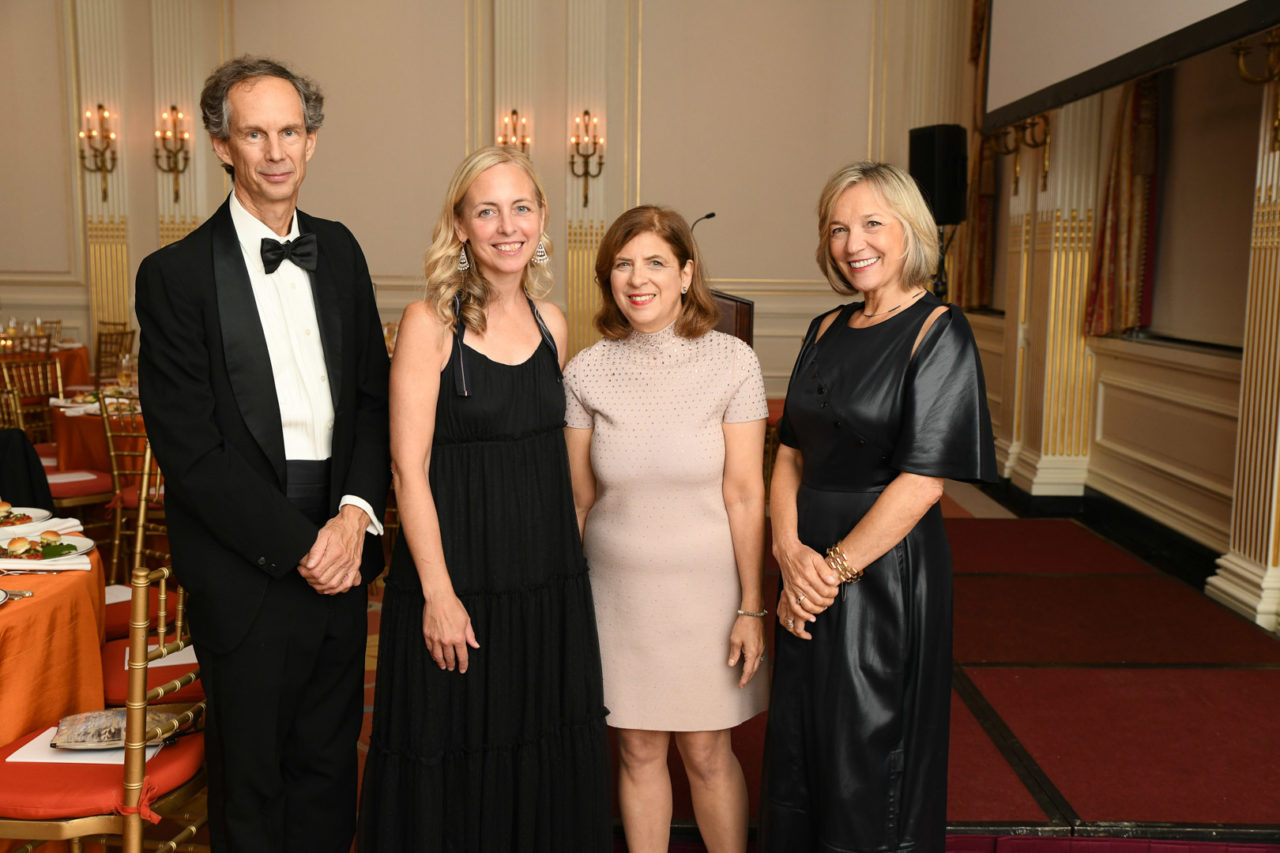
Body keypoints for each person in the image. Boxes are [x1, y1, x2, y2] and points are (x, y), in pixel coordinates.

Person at [135, 57, 390, 852]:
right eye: (255, 133)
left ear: (311, 142)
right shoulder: (174, 275)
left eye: (290, 131)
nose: (276, 150)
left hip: (342, 556)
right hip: (247, 565)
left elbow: (372, 402)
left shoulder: (341, 251)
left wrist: (351, 517)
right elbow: (193, 452)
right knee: (251, 787)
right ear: (221, 145)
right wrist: (299, 544)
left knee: (326, 774)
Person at [358, 147, 611, 852]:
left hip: (542, 581)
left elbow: (562, 459)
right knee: (456, 748)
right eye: (487, 210)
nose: (508, 226)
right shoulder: (428, 322)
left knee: (536, 741)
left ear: (542, 220)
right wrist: (438, 593)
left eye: (521, 208)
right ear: (461, 226)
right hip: (458, 578)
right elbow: (407, 471)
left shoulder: (553, 322)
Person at [761, 161, 996, 852]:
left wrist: (827, 570)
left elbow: (924, 482)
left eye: (871, 224)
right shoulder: (824, 327)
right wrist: (786, 551)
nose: (852, 242)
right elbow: (789, 452)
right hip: (805, 560)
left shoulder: (938, 331)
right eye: (838, 228)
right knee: (803, 745)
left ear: (908, 231)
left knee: (869, 753)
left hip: (884, 571)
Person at [563, 205, 769, 853]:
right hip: (616, 596)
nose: (637, 278)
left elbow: (745, 494)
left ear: (685, 273)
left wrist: (751, 606)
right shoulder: (585, 371)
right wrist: (566, 607)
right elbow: (578, 500)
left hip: (708, 595)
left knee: (708, 751)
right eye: (622, 264)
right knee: (637, 749)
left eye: (654, 261)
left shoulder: (732, 361)